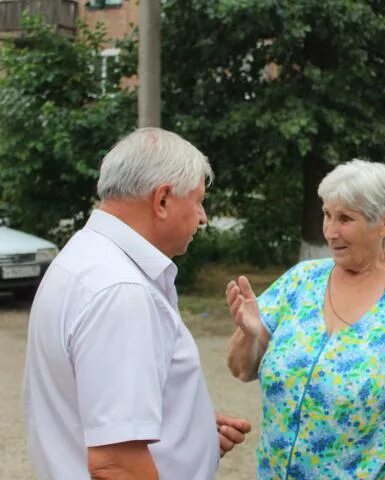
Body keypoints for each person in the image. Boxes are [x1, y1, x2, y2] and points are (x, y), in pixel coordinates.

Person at [23, 128, 251, 479]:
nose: (202, 217)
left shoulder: (85, 259)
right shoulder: (121, 289)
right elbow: (116, 463)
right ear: (162, 200)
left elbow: (99, 413)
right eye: (197, 200)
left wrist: (188, 431)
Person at [226, 159, 385, 479]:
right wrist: (247, 333)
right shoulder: (300, 281)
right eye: (327, 215)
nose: (330, 231)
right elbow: (241, 369)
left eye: (345, 218)